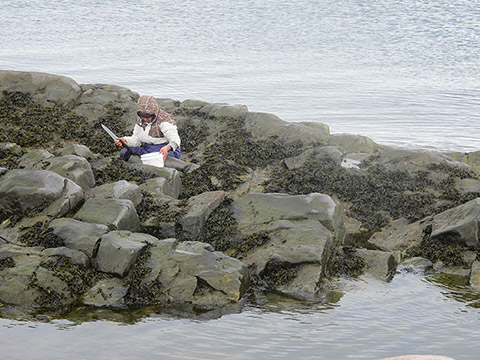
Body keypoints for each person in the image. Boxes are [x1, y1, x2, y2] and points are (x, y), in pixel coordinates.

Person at [115, 95, 181, 162]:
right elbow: (137, 140)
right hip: (148, 147)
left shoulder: (165, 119)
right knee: (125, 152)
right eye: (142, 116)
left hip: (165, 149)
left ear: (154, 112)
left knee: (159, 158)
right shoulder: (140, 120)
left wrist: (168, 147)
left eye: (148, 116)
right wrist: (126, 141)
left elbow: (175, 139)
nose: (145, 119)